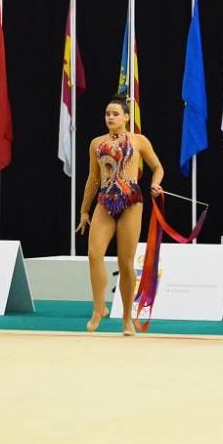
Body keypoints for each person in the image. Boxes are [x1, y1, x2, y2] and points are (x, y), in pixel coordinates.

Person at [76, 96, 164, 336]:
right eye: (107, 113)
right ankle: (98, 308)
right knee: (94, 254)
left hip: (131, 202)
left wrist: (156, 184)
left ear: (127, 117)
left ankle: (126, 317)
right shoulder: (96, 143)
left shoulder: (139, 141)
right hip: (105, 201)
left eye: (115, 113)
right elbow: (93, 179)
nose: (110, 117)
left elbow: (157, 167)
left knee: (125, 263)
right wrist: (84, 210)